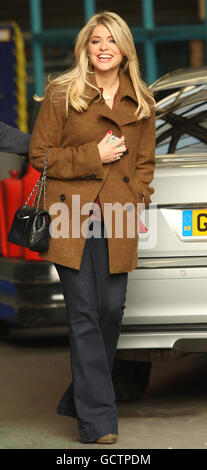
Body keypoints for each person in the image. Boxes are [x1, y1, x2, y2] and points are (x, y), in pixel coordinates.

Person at [29, 11, 156, 445]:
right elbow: (40, 156)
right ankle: (98, 421)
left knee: (110, 309)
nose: (103, 47)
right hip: (69, 217)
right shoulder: (63, 94)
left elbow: (144, 164)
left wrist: (137, 192)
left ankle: (79, 397)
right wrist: (92, 156)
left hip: (117, 219)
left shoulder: (141, 101)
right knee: (84, 313)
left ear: (124, 51)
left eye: (112, 41)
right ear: (86, 47)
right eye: (96, 40)